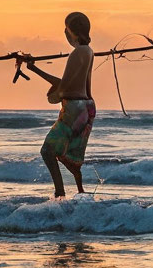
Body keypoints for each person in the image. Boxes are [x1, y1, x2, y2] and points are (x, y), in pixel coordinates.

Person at [19, 12, 96, 199]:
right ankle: (81, 195)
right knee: (70, 154)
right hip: (86, 107)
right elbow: (77, 85)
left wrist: (52, 93)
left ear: (72, 33)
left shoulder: (77, 53)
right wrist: (34, 68)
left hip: (74, 108)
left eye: (66, 29)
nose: (65, 33)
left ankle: (60, 193)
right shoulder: (89, 52)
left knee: (47, 151)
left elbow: (64, 87)